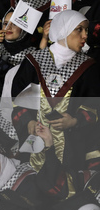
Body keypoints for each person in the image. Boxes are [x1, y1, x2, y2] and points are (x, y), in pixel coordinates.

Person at [11, 10, 100, 171]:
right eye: (79, 29)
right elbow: (18, 99)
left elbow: (93, 104)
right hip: (35, 141)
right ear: (63, 30)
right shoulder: (33, 62)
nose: (85, 36)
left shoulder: (89, 68)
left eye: (86, 30)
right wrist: (28, 121)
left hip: (71, 146)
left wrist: (74, 121)